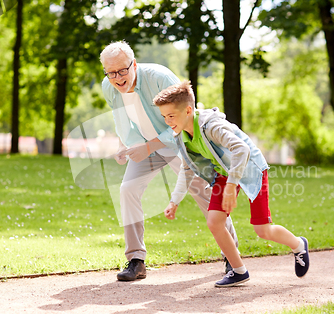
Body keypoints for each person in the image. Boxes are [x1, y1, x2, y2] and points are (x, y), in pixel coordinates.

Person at [100, 41, 239, 281]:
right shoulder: (109, 86)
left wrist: (151, 146)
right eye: (111, 73)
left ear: (134, 64)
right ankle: (136, 259)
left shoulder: (159, 77)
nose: (118, 78)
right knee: (128, 189)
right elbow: (121, 118)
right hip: (145, 146)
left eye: (122, 70)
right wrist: (124, 147)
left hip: (179, 142)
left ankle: (232, 256)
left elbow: (188, 116)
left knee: (204, 193)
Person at [154, 81, 310, 287]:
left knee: (262, 230)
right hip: (223, 172)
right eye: (164, 117)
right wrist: (174, 201)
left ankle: (299, 245)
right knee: (214, 222)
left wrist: (231, 186)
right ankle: (238, 271)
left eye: (171, 116)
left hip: (251, 168)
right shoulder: (182, 136)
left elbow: (242, 150)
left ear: (188, 110)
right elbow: (187, 168)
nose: (167, 121)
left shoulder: (212, 127)